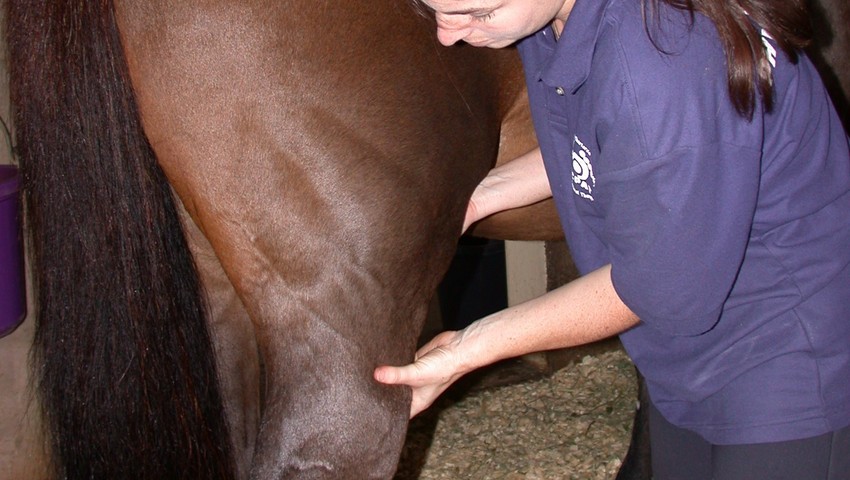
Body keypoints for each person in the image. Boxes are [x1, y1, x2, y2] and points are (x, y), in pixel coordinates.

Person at [373, 0, 850, 478]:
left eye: (477, 12)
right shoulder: (557, 22)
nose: (448, 35)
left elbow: (663, 286)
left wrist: (468, 350)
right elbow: (615, 144)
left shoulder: (662, 59)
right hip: (686, 357)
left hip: (786, 357)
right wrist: (479, 200)